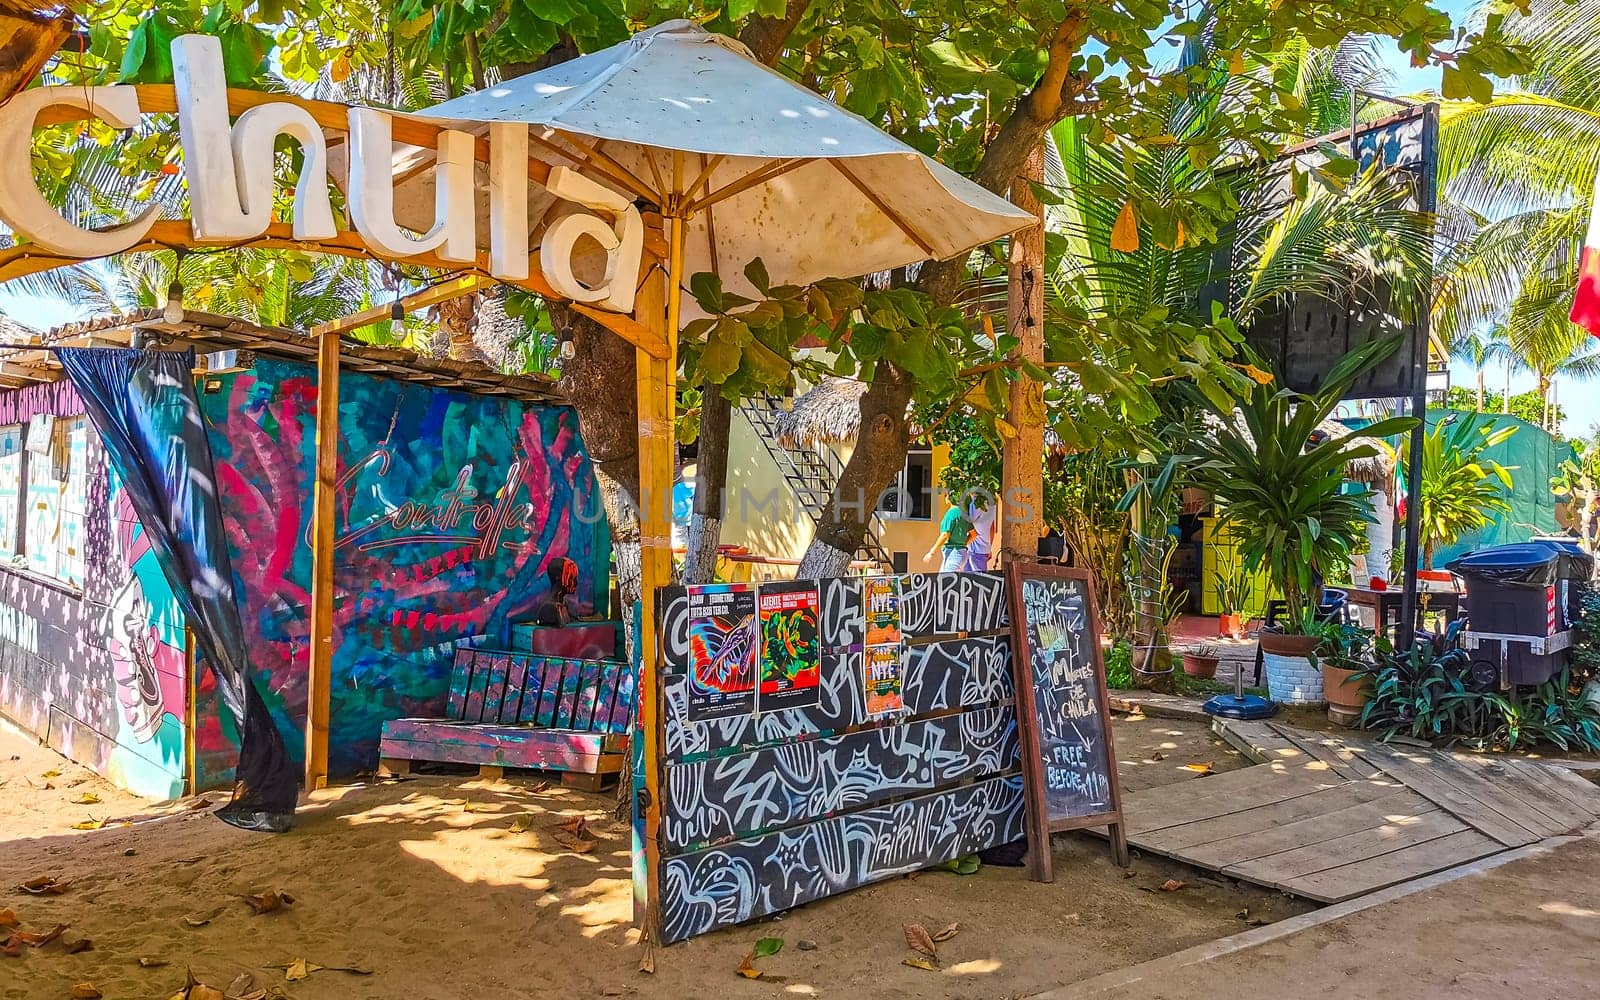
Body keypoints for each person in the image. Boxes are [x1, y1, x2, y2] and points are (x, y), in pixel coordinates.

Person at [925, 502, 975, 572]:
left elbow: (945, 535)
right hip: (961, 553)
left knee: (947, 580)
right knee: (945, 580)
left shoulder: (951, 513)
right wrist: (963, 543)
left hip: (953, 554)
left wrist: (931, 552)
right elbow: (974, 533)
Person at [532, 557, 579, 626]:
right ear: (558, 578)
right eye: (571, 578)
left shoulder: (563, 604)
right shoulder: (549, 608)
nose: (576, 583)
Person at [965, 498, 996, 572]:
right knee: (980, 579)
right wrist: (989, 548)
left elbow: (970, 526)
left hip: (974, 549)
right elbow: (992, 528)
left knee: (973, 579)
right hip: (984, 549)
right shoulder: (991, 505)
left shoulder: (975, 504)